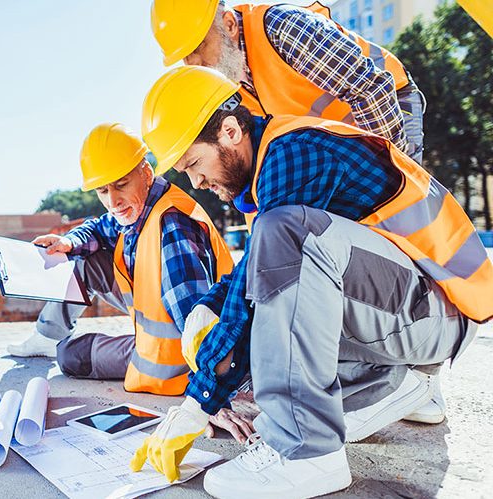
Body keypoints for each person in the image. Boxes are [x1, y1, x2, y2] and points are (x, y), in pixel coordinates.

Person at [130, 66, 488, 498]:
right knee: (269, 312)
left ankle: (308, 455)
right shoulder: (275, 158)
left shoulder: (294, 154)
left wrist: (198, 400)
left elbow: (268, 274)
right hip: (417, 313)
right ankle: (401, 386)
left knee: (284, 243)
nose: (197, 183)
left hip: (438, 314)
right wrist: (210, 305)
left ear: (229, 131)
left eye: (193, 164)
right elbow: (253, 275)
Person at [7, 123, 235, 398]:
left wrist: (211, 393)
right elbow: (99, 227)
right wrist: (68, 242)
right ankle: (45, 337)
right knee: (85, 259)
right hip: (156, 331)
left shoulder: (173, 225)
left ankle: (57, 344)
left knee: (69, 356)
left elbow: (194, 320)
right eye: (103, 191)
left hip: (173, 362)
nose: (113, 201)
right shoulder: (140, 207)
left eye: (121, 185)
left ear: (146, 173)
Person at [150, 0, 426, 165]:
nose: (194, 64)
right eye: (184, 57)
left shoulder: (282, 28)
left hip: (388, 104)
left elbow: (370, 89)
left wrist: (391, 172)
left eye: (200, 46)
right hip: (342, 139)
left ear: (229, 24)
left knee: (404, 209)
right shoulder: (229, 88)